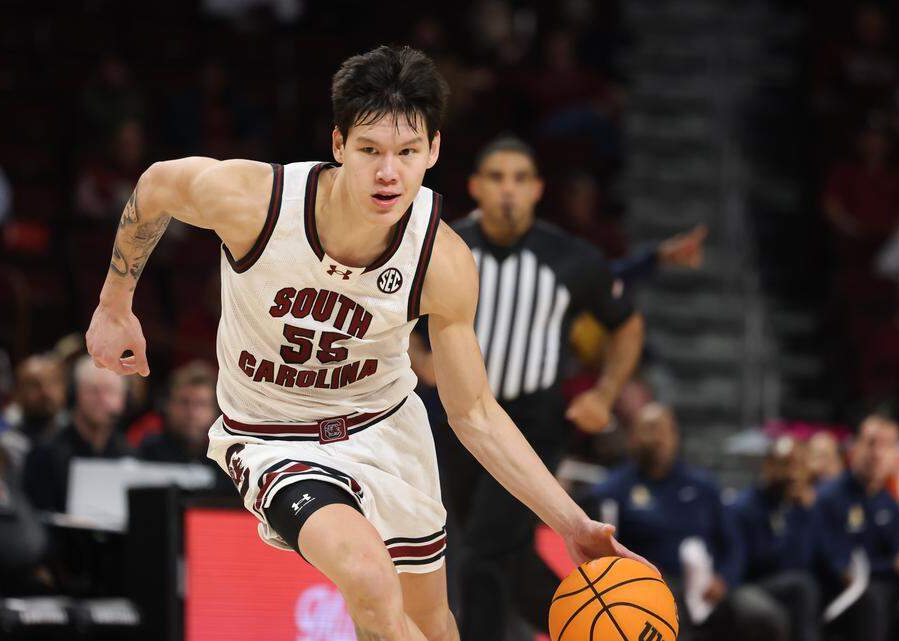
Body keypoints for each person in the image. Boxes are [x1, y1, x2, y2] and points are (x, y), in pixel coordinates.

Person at [85, 45, 645, 641]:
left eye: (407, 153)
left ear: (432, 150)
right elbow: (156, 187)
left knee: (432, 623)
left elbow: (475, 413)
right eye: (370, 151)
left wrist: (572, 524)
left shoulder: (442, 260)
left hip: (386, 429)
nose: (388, 173)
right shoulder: (256, 202)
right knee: (368, 579)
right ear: (337, 145)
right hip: (275, 435)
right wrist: (114, 304)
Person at [407, 136, 645, 639]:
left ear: (537, 190)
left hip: (534, 421)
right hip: (453, 418)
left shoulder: (572, 259)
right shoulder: (443, 245)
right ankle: (606, 629)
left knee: (479, 551)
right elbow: (389, 299)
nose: (507, 190)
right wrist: (417, 355)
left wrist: (604, 394)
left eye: (519, 179)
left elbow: (625, 325)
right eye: (496, 178)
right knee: (505, 555)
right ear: (475, 187)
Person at [591, 403, 787, 641]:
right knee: (671, 616)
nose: (658, 438)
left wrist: (724, 579)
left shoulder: (702, 485)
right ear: (633, 438)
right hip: (653, 586)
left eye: (664, 430)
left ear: (676, 436)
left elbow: (734, 543)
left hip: (711, 586)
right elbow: (603, 539)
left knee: (765, 616)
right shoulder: (617, 487)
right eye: (650, 429)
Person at [813, 414, 899, 641]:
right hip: (837, 594)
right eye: (871, 443)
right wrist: (894, 566)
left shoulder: (889, 504)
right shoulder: (829, 498)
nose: (877, 454)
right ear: (854, 448)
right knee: (873, 596)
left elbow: (898, 553)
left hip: (881, 588)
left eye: (887, 446)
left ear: (897, 456)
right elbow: (838, 565)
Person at [731, 437, 821, 641]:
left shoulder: (802, 506)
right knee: (802, 586)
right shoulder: (746, 506)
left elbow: (810, 557)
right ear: (768, 466)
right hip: (752, 583)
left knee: (804, 586)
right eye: (785, 465)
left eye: (798, 466)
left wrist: (805, 514)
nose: (792, 474)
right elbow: (757, 560)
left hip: (791, 585)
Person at [22, 356, 130, 513]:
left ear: (123, 399)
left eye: (110, 391)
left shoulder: (128, 455)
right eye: (93, 390)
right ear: (75, 393)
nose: (102, 399)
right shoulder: (45, 454)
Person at [136, 361, 237, 498]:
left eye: (201, 404)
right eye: (184, 402)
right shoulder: (149, 452)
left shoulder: (228, 459)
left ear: (215, 410)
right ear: (169, 406)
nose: (192, 413)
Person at [0, 354, 70, 466]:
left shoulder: (77, 435)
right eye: (34, 385)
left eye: (52, 382)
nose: (45, 392)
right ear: (17, 392)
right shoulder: (6, 445)